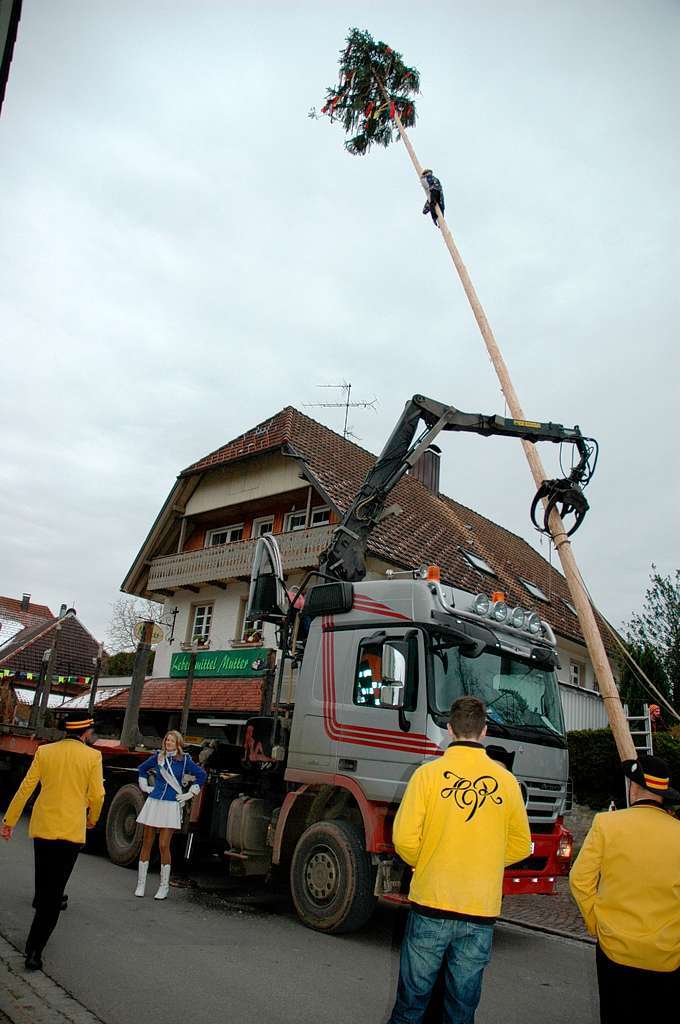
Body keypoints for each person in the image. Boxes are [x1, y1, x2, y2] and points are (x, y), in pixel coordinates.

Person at [387, 696, 531, 1024]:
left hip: (431, 902)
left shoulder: (427, 775)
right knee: (461, 1009)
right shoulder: (507, 783)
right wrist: (487, 860)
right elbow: (522, 846)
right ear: (485, 732)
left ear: (450, 729)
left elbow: (404, 839)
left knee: (411, 1004)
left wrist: (424, 861)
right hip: (479, 909)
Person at [569, 754, 680, 1021]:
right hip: (667, 954)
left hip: (615, 948)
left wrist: (596, 922)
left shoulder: (607, 824)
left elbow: (579, 879)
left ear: (633, 787)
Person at [1, 713, 105, 971]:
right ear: (86, 732)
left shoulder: (45, 752)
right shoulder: (93, 757)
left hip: (44, 825)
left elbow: (26, 787)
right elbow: (98, 794)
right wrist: (92, 818)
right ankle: (34, 951)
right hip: (70, 830)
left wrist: (9, 821)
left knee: (44, 874)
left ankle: (41, 899)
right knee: (56, 891)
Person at [134, 730, 207, 900]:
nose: (168, 743)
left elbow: (201, 775)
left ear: (178, 743)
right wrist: (145, 786)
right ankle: (141, 884)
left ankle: (164, 886)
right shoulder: (158, 757)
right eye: (167, 740)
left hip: (171, 804)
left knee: (163, 845)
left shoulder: (185, 761)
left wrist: (190, 793)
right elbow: (142, 769)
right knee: (146, 843)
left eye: (172, 741)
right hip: (154, 802)